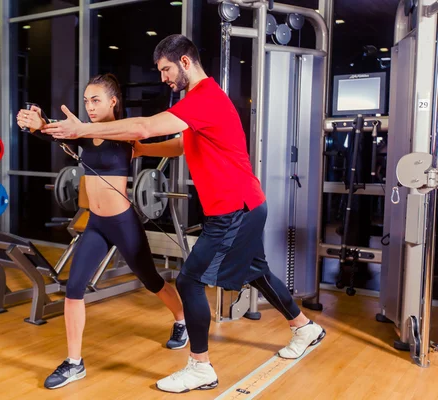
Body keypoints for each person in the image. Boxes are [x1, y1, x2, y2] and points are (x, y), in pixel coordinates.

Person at [37, 34, 326, 394]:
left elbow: (143, 124)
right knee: (256, 270)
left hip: (235, 208)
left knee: (189, 281)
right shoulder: (200, 100)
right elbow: (182, 144)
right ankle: (304, 326)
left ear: (185, 62)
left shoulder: (204, 98)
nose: (163, 78)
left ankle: (200, 367)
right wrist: (142, 149)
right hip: (245, 204)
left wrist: (85, 129)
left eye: (166, 69)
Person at [16, 73, 187, 390]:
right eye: (85, 101)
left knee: (151, 280)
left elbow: (170, 147)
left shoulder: (125, 137)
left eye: (95, 100)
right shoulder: (82, 135)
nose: (89, 107)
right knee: (74, 288)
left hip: (122, 223)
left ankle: (181, 320)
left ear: (113, 101)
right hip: (96, 223)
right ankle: (74, 363)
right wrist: (38, 124)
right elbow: (56, 133)